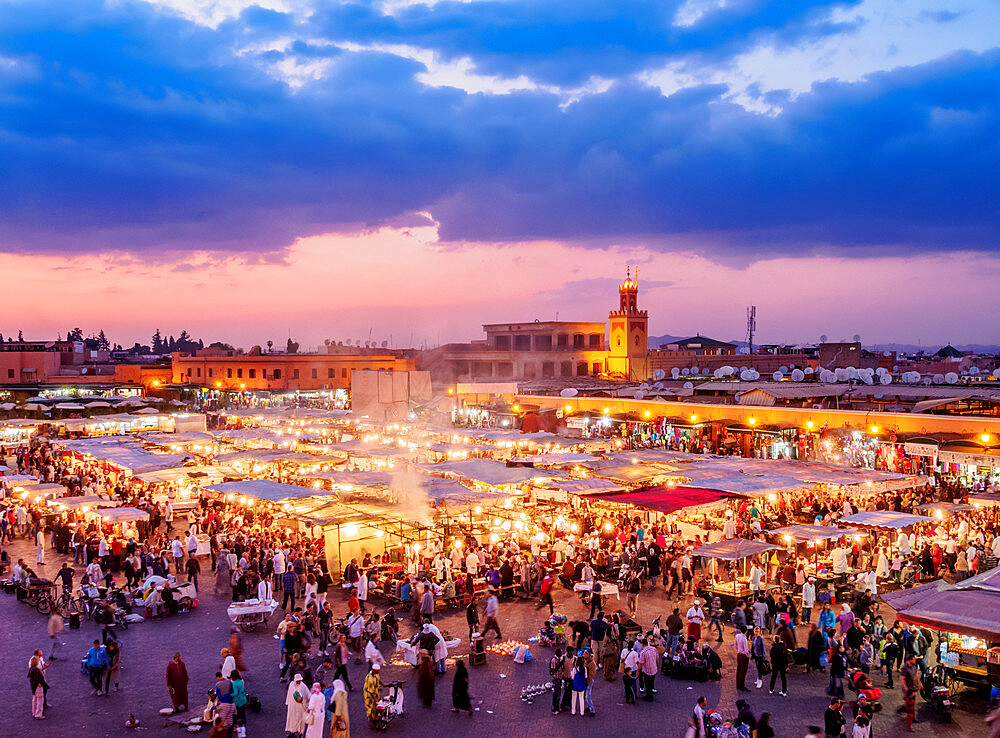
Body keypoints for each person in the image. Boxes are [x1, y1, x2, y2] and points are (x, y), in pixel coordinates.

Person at [900, 654, 919, 732]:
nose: (915, 660)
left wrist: (919, 685)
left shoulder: (914, 667)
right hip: (909, 690)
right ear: (910, 660)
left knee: (912, 705)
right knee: (910, 707)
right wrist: (906, 689)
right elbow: (902, 678)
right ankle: (909, 725)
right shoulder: (905, 668)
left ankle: (912, 718)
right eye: (914, 659)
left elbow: (915, 676)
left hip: (913, 689)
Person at [364, 664, 382, 730]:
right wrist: (375, 699)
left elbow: (378, 680)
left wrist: (383, 685)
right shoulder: (370, 678)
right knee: (370, 708)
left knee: (375, 707)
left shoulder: (375, 674)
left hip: (375, 693)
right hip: (369, 695)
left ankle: (374, 719)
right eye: (377, 671)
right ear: (374, 670)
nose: (378, 672)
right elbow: (370, 690)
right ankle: (371, 723)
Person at [735, 626, 751, 691]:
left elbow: (735, 645)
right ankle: (742, 686)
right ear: (746, 631)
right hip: (743, 656)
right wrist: (749, 655)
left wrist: (739, 650)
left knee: (738, 670)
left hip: (739, 654)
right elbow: (746, 650)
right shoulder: (744, 639)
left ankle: (738, 685)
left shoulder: (737, 636)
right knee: (743, 671)